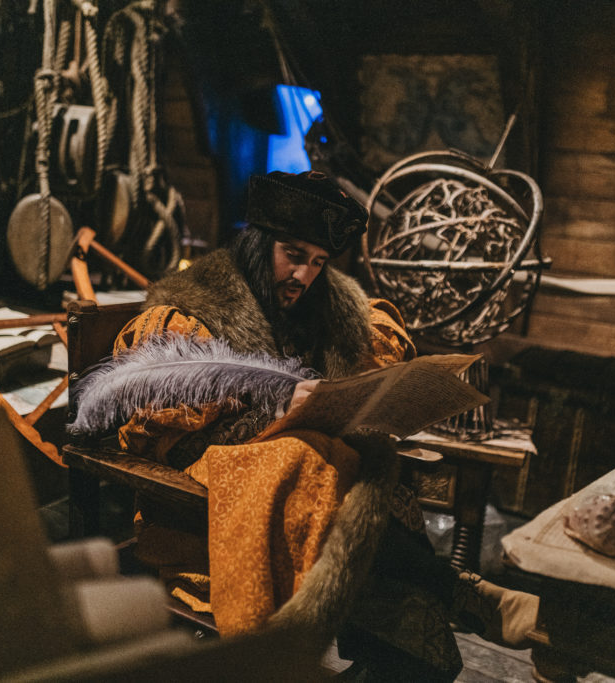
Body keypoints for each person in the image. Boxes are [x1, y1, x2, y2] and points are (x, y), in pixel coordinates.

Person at [90, 170, 538, 681]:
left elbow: (371, 344)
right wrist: (273, 398)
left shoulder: (318, 307)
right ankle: (455, 589)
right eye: (295, 255)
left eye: (320, 262)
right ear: (259, 244)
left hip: (300, 486)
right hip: (202, 491)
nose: (305, 275)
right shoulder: (193, 309)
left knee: (352, 462)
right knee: (305, 459)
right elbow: (151, 402)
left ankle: (439, 605)